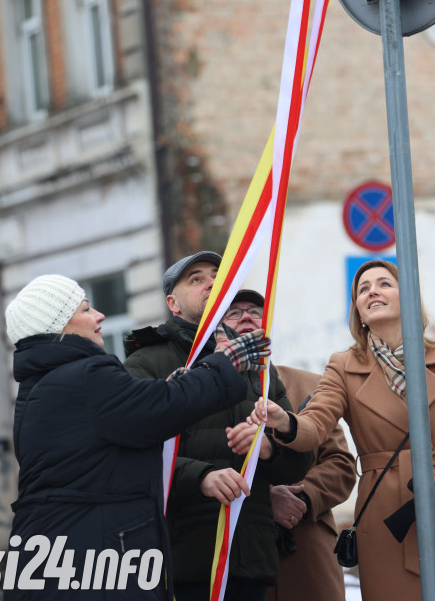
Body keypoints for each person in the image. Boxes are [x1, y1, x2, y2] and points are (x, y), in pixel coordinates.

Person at [4, 273, 271, 601]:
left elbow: (139, 413)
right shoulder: (85, 376)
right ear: (59, 325)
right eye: (86, 310)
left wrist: (178, 384)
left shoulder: (44, 385)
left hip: (58, 553)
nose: (100, 316)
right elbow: (162, 408)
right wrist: (224, 363)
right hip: (92, 557)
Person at [243, 259, 435, 601]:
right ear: (359, 313)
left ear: (406, 298)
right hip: (385, 515)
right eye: (363, 289)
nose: (373, 292)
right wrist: (286, 422)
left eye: (384, 284)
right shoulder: (343, 365)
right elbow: (316, 424)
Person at [124, 252, 313, 601]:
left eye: (217, 276)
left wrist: (268, 447)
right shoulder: (145, 362)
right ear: (173, 304)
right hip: (183, 560)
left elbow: (301, 461)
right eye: (196, 279)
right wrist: (202, 476)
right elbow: (132, 455)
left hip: (250, 557)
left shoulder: (254, 362)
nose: (211, 283)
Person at [222, 290, 356, 601]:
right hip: (239, 559)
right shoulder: (203, 393)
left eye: (255, 311)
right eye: (234, 313)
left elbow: (341, 464)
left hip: (308, 552)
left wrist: (303, 498)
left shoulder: (311, 385)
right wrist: (265, 501)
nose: (245, 317)